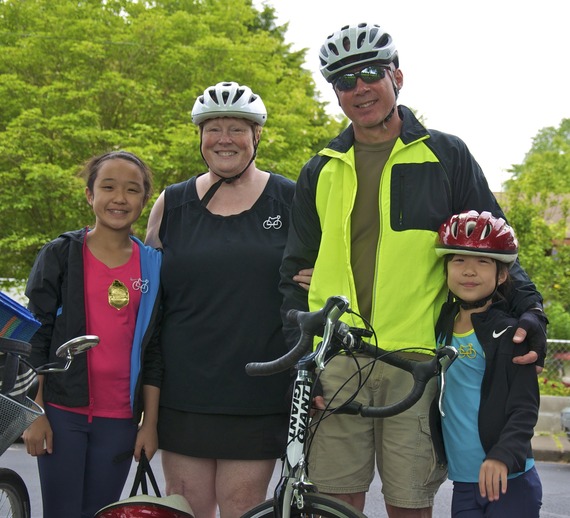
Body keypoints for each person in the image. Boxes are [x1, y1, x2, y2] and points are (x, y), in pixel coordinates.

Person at [279, 23, 547, 518]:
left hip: (416, 360)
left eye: (369, 73)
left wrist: (533, 315)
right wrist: (302, 362)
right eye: (344, 81)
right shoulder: (320, 167)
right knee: (337, 503)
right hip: (337, 359)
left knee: (409, 503)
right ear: (336, 94)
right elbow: (293, 275)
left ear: (396, 76)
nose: (359, 88)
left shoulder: (446, 155)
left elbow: (497, 247)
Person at [144, 81, 307, 518]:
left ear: (257, 136)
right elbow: (149, 304)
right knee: (186, 505)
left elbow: (321, 278)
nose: (224, 139)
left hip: (258, 388)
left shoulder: (290, 199)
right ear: (200, 137)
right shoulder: (171, 203)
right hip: (183, 390)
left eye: (237, 128)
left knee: (242, 506)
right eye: (213, 128)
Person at [23, 150, 163, 518]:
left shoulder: (153, 265)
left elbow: (154, 351)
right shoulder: (61, 254)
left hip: (120, 419)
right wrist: (34, 413)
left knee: (102, 513)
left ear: (144, 200)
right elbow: (35, 335)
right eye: (108, 187)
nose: (120, 198)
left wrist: (150, 424)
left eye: (132, 190)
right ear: (90, 195)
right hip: (60, 413)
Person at [433, 210, 542, 517]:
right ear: (445, 269)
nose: (469, 271)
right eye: (459, 260)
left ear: (502, 275)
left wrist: (503, 455)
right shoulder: (439, 324)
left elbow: (525, 406)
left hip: (509, 480)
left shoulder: (509, 333)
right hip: (465, 483)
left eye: (483, 262)